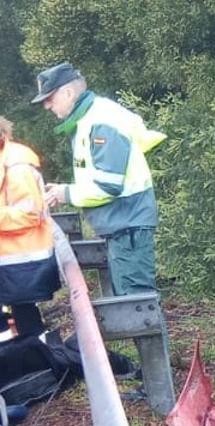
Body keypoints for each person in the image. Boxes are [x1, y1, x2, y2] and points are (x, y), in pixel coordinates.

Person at [33, 62, 165, 296]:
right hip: (123, 225)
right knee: (134, 303)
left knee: (138, 305)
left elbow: (108, 185)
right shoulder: (89, 119)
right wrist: (65, 189)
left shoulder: (100, 121)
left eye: (49, 98)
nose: (46, 106)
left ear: (68, 92)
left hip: (127, 226)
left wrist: (66, 193)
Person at [0, 116, 58, 338]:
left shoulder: (17, 167)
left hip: (22, 262)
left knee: (26, 319)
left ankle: (41, 361)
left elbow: (28, 214)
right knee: (20, 319)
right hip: (12, 261)